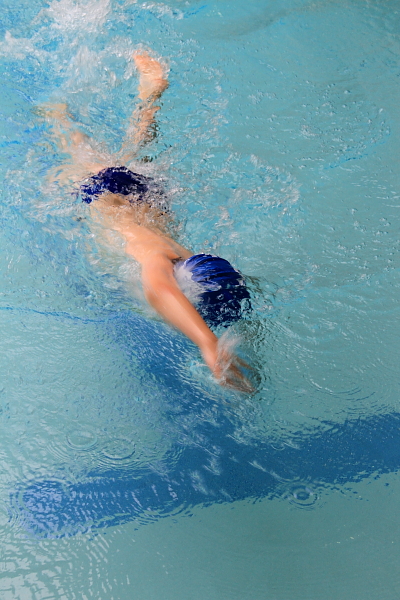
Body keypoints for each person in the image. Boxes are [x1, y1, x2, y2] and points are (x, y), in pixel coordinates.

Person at [41, 51, 252, 392]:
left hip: (147, 200)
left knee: (135, 153)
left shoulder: (182, 256)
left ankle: (150, 96)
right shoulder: (157, 258)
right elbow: (159, 291)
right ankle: (58, 113)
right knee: (74, 146)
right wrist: (207, 343)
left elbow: (233, 281)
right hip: (104, 193)